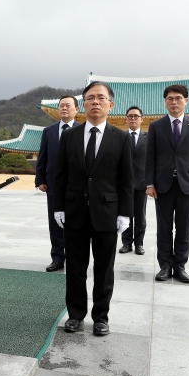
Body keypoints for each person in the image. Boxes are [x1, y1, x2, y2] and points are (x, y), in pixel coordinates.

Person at [53, 81, 133, 336]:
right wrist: (58, 208)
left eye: (100, 98)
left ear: (111, 104)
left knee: (104, 268)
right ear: (83, 105)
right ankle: (75, 314)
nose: (95, 102)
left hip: (107, 214)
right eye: (90, 98)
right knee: (75, 267)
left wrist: (125, 213)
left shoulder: (120, 137)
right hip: (75, 211)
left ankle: (101, 316)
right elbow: (60, 175)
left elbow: (126, 179)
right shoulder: (70, 136)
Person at [146, 84, 189, 284]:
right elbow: (150, 158)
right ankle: (165, 265)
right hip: (162, 185)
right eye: (170, 98)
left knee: (183, 228)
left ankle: (180, 266)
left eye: (178, 98)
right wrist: (149, 183)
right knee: (164, 228)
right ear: (165, 102)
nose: (174, 102)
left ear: (186, 101)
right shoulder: (156, 126)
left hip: (187, 185)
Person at [35, 95, 81, 272]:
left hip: (77, 187)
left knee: (75, 224)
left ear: (76, 109)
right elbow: (43, 157)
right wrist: (40, 180)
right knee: (55, 224)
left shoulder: (83, 130)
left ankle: (75, 258)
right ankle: (57, 258)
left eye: (68, 106)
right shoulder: (49, 131)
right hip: (54, 185)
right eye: (61, 106)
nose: (64, 108)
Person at [119, 106, 147, 256]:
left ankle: (139, 244)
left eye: (136, 116)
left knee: (140, 216)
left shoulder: (147, 138)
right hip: (124, 183)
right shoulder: (120, 137)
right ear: (126, 119)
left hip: (142, 183)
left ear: (142, 119)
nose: (133, 118)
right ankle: (126, 243)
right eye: (130, 116)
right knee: (126, 214)